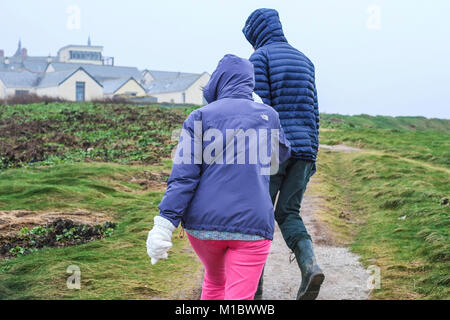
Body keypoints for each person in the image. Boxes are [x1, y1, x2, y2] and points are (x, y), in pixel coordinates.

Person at [146, 54, 291, 300]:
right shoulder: (269, 116)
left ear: (218, 81)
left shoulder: (199, 116)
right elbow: (282, 155)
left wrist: (164, 224)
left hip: (203, 227)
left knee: (214, 281)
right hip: (253, 226)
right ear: (250, 82)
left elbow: (184, 176)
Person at [243, 8, 324, 300]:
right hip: (304, 150)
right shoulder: (306, 60)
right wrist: (312, 154)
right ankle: (310, 267)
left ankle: (254, 291)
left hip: (274, 151)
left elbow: (260, 111)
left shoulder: (259, 58)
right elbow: (314, 112)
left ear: (256, 33)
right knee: (288, 212)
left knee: (256, 216)